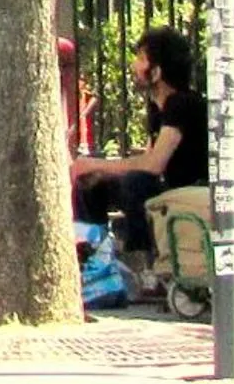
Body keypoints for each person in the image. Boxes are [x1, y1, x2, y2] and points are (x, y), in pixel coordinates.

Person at [71, 26, 208, 261]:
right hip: (168, 189)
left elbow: (153, 164)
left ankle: (145, 263)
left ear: (157, 71)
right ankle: (95, 258)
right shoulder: (159, 109)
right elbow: (147, 158)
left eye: (142, 59)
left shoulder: (181, 105)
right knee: (92, 187)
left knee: (135, 183)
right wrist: (99, 173)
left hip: (190, 192)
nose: (135, 66)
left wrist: (94, 164)